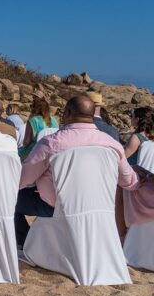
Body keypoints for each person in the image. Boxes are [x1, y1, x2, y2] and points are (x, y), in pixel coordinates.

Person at [16, 95, 140, 247]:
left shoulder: (51, 143)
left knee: (13, 198)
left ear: (67, 113)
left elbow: (23, 179)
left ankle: (25, 242)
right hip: (99, 209)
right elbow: (130, 182)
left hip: (58, 208)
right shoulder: (112, 145)